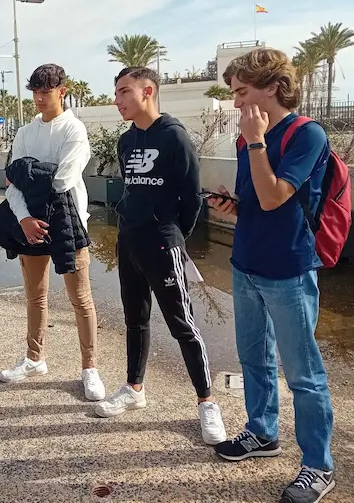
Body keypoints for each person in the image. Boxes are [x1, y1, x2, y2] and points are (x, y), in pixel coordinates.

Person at [209, 48, 335, 503]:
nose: (237, 103)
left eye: (242, 92)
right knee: (253, 360)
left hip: (288, 270)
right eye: (234, 94)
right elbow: (255, 204)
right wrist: (231, 204)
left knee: (304, 374)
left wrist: (258, 141)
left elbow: (274, 196)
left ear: (274, 87)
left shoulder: (306, 135)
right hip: (246, 263)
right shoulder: (247, 139)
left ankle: (318, 467)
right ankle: (262, 433)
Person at [94, 67, 227, 442]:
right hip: (129, 240)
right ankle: (134, 389)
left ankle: (206, 403)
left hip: (162, 243)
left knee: (182, 324)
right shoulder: (126, 141)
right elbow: (133, 190)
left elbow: (191, 198)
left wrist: (174, 238)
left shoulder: (174, 137)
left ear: (147, 91)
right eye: (116, 92)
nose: (117, 100)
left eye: (123, 92)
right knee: (135, 320)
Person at [0, 63, 106, 402]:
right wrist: (24, 219)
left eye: (47, 91)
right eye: (35, 91)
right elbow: (12, 185)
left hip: (69, 223)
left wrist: (24, 171)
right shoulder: (24, 133)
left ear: (62, 90)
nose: (40, 98)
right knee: (35, 297)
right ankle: (34, 359)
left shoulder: (74, 130)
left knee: (81, 299)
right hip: (29, 222)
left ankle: (90, 368)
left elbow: (63, 179)